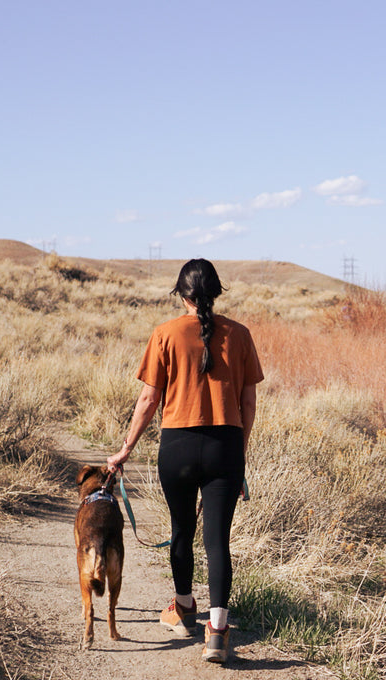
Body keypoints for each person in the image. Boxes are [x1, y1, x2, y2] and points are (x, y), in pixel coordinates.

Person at [105, 258, 263, 664]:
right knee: (217, 540)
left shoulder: (165, 333)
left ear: (182, 294)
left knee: (181, 530)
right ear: (216, 293)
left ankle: (184, 607)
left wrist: (125, 449)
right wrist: (238, 454)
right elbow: (248, 402)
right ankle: (218, 631)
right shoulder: (241, 335)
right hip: (225, 444)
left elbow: (148, 400)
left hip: (177, 445)